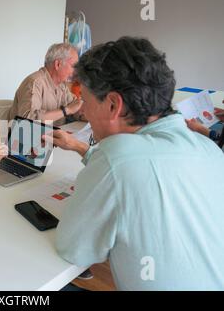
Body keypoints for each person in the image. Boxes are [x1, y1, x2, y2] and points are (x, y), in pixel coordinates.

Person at [44, 37, 224, 290]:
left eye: (85, 100)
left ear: (113, 105)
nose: (82, 112)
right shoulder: (211, 150)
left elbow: (74, 249)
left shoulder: (117, 155)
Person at [7, 43, 84, 126]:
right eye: (73, 66)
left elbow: (76, 108)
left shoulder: (62, 86)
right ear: (58, 64)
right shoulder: (34, 82)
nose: (75, 71)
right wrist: (67, 110)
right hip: (24, 137)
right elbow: (27, 122)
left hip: (50, 137)